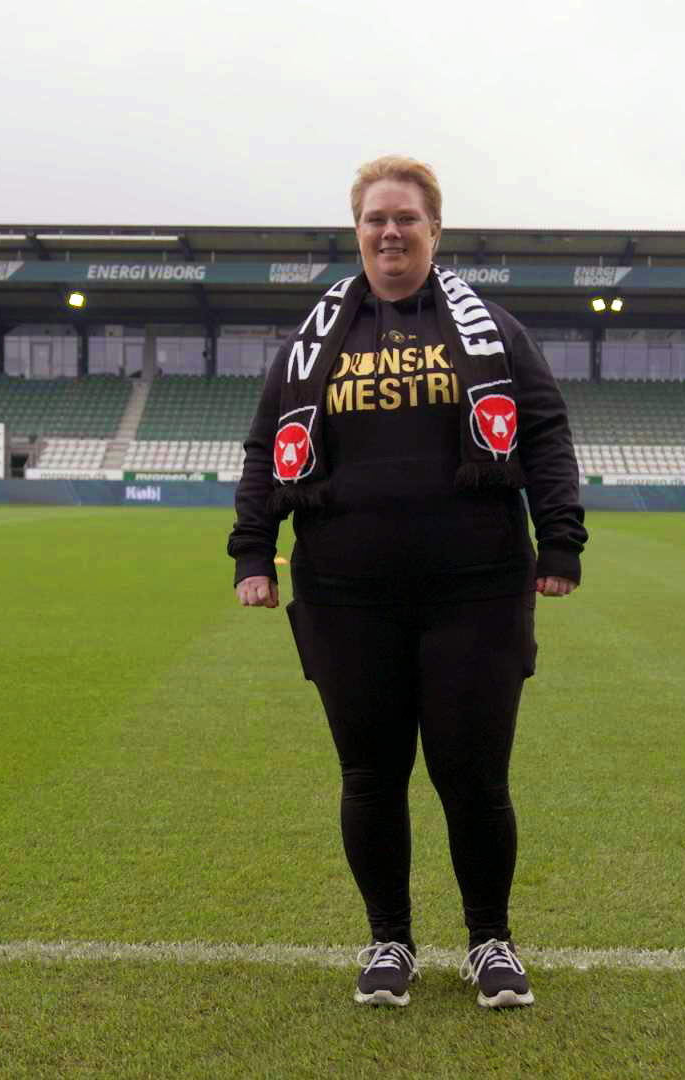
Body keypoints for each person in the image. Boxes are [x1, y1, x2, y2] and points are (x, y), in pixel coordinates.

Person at [228, 156, 586, 1011]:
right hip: (347, 596)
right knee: (370, 776)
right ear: (357, 230)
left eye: (408, 219)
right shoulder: (313, 340)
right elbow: (263, 447)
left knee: (473, 778)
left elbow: (543, 432)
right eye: (375, 219)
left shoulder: (493, 330)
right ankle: (389, 940)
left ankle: (489, 941)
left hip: (476, 587)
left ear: (435, 230)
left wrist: (560, 543)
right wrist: (251, 552)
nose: (391, 232)